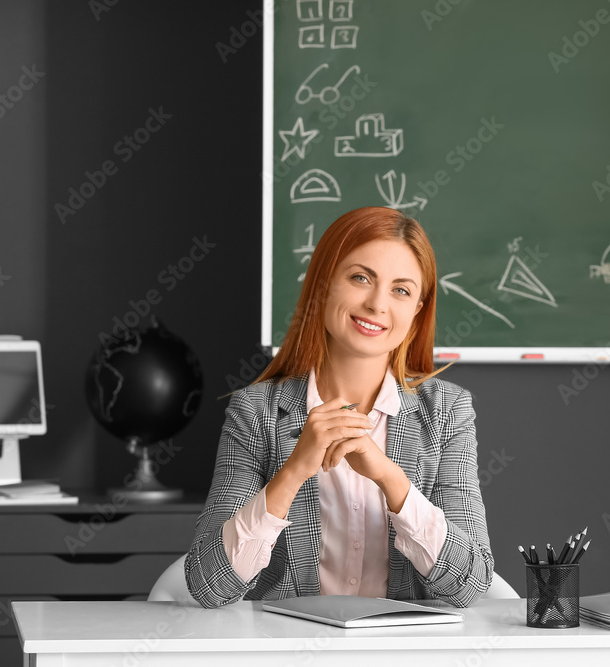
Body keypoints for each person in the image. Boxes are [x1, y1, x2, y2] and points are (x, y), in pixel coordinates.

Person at [185, 206, 493, 608]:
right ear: (323, 284)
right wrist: (294, 469)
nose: (377, 304)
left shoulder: (448, 412)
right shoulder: (256, 411)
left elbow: (471, 584)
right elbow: (209, 586)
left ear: (417, 312)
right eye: (360, 278)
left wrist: (390, 479)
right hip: (287, 652)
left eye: (401, 290)